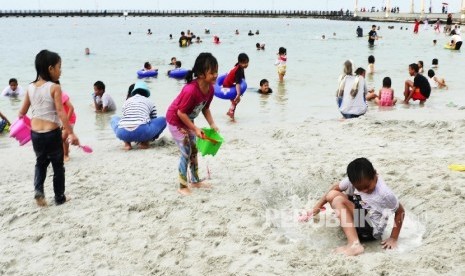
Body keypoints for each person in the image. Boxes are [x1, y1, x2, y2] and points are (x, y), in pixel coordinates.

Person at [304, 158, 404, 256]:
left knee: (339, 200)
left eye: (368, 186)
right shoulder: (355, 181)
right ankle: (351, 231)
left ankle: (354, 244)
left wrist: (393, 238)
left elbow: (400, 211)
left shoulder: (384, 193)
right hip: (360, 216)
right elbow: (335, 187)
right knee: (331, 194)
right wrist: (315, 209)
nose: (364, 190)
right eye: (360, 188)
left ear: (375, 174)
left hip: (371, 230)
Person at [18, 49, 80, 207]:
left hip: (36, 134)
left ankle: (39, 191)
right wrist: (71, 133)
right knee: (58, 166)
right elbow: (61, 112)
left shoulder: (30, 87)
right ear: (50, 68)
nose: (61, 71)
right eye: (59, 67)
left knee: (40, 163)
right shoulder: (54, 87)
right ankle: (59, 197)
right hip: (52, 133)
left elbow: (21, 113)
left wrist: (23, 127)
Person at [165, 52, 219, 196]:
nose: (215, 75)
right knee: (186, 151)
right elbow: (180, 113)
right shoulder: (190, 90)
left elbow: (205, 108)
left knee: (194, 149)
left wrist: (212, 124)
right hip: (175, 120)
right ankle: (182, 186)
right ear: (201, 74)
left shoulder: (210, 89)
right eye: (212, 72)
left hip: (187, 120)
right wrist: (195, 128)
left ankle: (195, 181)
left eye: (216, 71)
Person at [111, 81, 166, 150]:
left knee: (114, 118)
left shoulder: (127, 101)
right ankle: (144, 143)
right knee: (163, 120)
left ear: (134, 92)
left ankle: (127, 144)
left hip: (122, 133)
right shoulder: (150, 102)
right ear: (146, 93)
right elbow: (153, 120)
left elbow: (124, 118)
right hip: (142, 131)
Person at [223, 53, 249, 121]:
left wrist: (241, 91)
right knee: (236, 100)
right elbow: (237, 83)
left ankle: (230, 113)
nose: (246, 64)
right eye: (244, 63)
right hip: (227, 86)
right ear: (240, 63)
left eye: (247, 62)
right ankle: (231, 115)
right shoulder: (238, 71)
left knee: (236, 101)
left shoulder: (240, 67)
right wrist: (238, 93)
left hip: (231, 84)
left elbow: (242, 79)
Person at [61, 90, 76, 162]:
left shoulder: (62, 95)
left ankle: (66, 155)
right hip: (62, 119)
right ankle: (66, 150)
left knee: (63, 137)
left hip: (70, 118)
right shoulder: (51, 96)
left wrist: (65, 122)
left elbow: (71, 108)